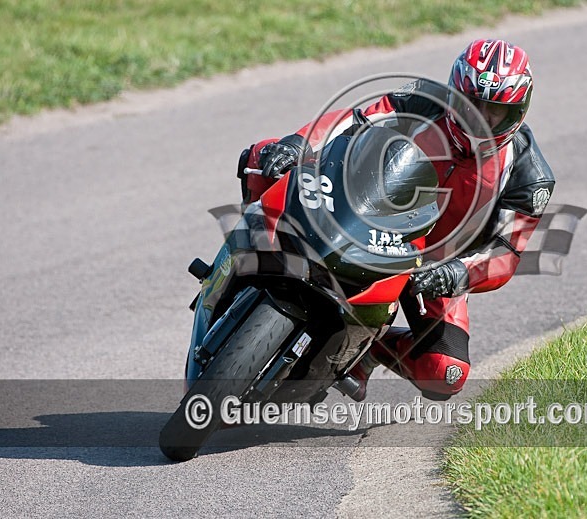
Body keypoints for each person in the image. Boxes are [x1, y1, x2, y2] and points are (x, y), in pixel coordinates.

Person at [237, 39, 555, 401]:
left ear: (518, 112)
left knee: (445, 373)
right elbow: (353, 120)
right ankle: (244, 254)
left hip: (433, 266)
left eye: (495, 111)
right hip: (363, 211)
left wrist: (455, 274)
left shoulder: (530, 176)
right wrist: (297, 143)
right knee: (264, 156)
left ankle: (369, 349)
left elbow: (506, 253)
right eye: (471, 106)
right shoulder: (422, 100)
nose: (481, 120)